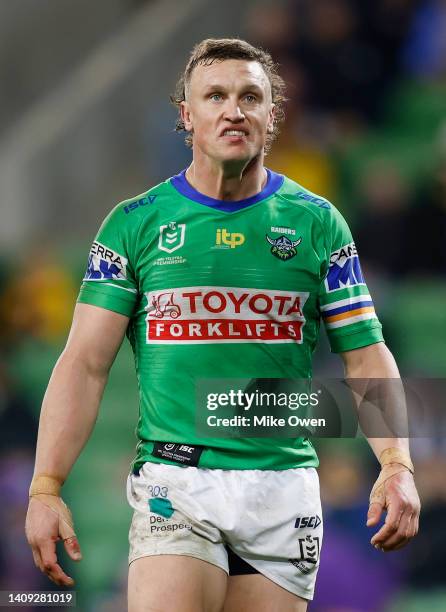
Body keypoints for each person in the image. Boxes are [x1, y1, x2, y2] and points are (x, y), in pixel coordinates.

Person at [25, 38, 421, 612]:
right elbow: (84, 363)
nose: (233, 109)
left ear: (271, 114)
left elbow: (365, 354)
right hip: (177, 482)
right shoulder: (134, 225)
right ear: (187, 115)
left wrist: (397, 464)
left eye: (250, 96)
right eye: (215, 96)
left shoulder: (318, 224)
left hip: (282, 486)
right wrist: (46, 486)